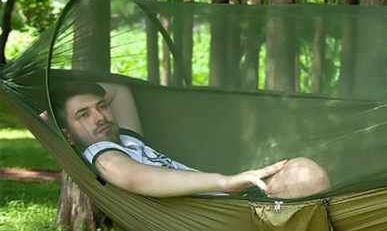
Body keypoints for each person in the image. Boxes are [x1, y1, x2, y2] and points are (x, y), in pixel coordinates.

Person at [49, 80, 330, 199]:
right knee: (308, 178)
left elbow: (118, 90)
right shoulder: (104, 154)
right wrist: (225, 182)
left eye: (100, 106)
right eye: (83, 115)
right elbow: (134, 177)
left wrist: (72, 106)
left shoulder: (127, 142)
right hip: (226, 212)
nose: (99, 116)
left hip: (231, 200)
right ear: (67, 136)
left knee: (302, 169)